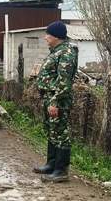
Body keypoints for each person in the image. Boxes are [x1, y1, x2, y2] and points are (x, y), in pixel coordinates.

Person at [33, 21, 78, 183]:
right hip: (50, 97)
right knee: (52, 131)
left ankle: (61, 170)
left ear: (56, 36)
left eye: (48, 35)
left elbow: (64, 82)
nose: (45, 37)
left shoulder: (66, 53)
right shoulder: (56, 51)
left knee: (60, 133)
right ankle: (51, 164)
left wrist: (55, 102)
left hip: (58, 99)